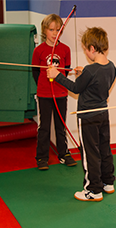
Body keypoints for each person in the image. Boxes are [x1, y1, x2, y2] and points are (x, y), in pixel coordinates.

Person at [47, 27, 116, 202]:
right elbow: (97, 84)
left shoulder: (90, 70)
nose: (86, 52)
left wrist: (57, 76)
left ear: (92, 48)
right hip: (102, 114)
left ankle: (93, 190)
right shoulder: (111, 66)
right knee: (104, 148)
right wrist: (82, 74)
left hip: (87, 116)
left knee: (90, 152)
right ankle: (108, 182)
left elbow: (76, 89)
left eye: (86, 49)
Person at [32, 14, 77, 170]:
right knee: (44, 126)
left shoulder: (65, 49)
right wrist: (44, 86)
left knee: (60, 125)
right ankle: (42, 157)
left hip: (61, 94)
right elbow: (35, 73)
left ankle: (63, 154)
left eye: (58, 30)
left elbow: (64, 72)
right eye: (51, 30)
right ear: (45, 30)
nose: (54, 33)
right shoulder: (39, 50)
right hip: (44, 94)